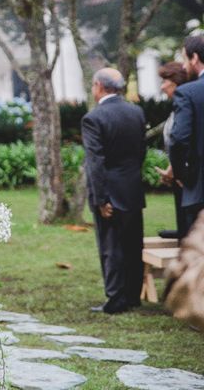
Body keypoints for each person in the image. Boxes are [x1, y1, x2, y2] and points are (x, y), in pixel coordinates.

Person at [81, 67, 146, 314]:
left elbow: (95, 162)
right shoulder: (136, 112)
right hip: (131, 186)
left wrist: (100, 198)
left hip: (109, 190)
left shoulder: (94, 118)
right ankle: (132, 295)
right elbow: (141, 152)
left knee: (110, 246)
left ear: (99, 86)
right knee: (132, 244)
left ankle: (115, 298)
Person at [170, 35, 204, 239]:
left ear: (194, 58)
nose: (183, 66)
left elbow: (179, 138)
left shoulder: (187, 93)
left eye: (184, 59)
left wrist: (181, 174)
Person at [154, 62, 190, 239]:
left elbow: (182, 140)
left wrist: (179, 169)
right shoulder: (177, 107)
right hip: (178, 171)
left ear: (175, 82)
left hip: (187, 172)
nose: (162, 87)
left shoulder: (186, 104)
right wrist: (171, 168)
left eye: (164, 81)